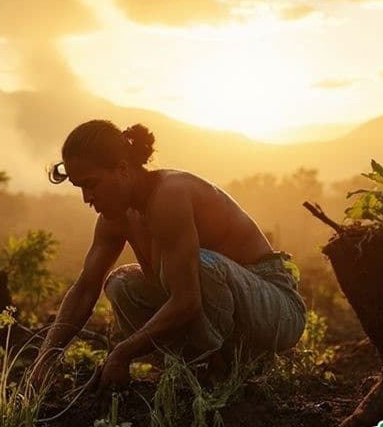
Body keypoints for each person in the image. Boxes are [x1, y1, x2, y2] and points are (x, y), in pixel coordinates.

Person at [35, 120, 306, 390]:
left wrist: (122, 353)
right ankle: (188, 370)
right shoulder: (116, 217)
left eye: (92, 185)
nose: (86, 198)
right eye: (80, 187)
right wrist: (45, 358)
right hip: (227, 308)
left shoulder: (169, 194)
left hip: (277, 309)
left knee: (200, 266)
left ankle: (227, 367)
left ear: (122, 169)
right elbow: (85, 289)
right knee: (121, 283)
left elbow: (187, 300)